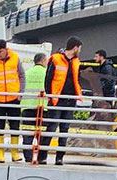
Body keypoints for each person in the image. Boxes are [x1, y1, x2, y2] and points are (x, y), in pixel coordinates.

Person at [35, 36, 82, 165]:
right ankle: (42, 156)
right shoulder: (56, 59)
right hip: (57, 99)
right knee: (51, 128)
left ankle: (59, 158)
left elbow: (77, 80)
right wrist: (51, 95)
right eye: (79, 48)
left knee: (64, 130)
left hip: (70, 100)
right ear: (75, 47)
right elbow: (48, 79)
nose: (80, 51)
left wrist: (78, 95)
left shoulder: (77, 62)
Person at [0, 39, 25, 162]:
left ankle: (14, 153)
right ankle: (0, 154)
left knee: (15, 126)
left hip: (14, 99)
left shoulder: (15, 58)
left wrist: (20, 93)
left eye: (0, 51)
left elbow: (22, 76)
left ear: (5, 49)